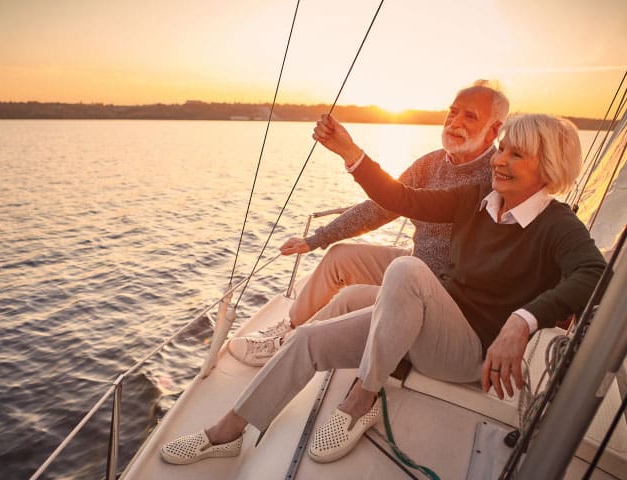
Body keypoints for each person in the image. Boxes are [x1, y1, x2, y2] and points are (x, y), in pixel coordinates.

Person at [160, 113, 606, 465]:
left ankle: (363, 396)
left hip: (469, 353)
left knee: (407, 270)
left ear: (548, 166)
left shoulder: (558, 225)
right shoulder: (476, 199)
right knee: (310, 339)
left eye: (516, 155)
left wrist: (521, 321)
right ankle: (228, 432)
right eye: (502, 148)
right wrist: (351, 154)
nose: (499, 160)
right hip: (434, 322)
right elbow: (403, 199)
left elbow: (592, 275)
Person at [227, 81, 510, 367]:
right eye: (453, 111)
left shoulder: (498, 178)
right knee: (339, 257)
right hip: (415, 262)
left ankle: (291, 349)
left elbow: (400, 199)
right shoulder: (431, 163)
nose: (455, 122)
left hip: (442, 293)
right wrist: (316, 239)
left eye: (470, 116)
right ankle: (291, 326)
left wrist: (350, 152)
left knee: (351, 297)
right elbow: (381, 207)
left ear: (494, 130)